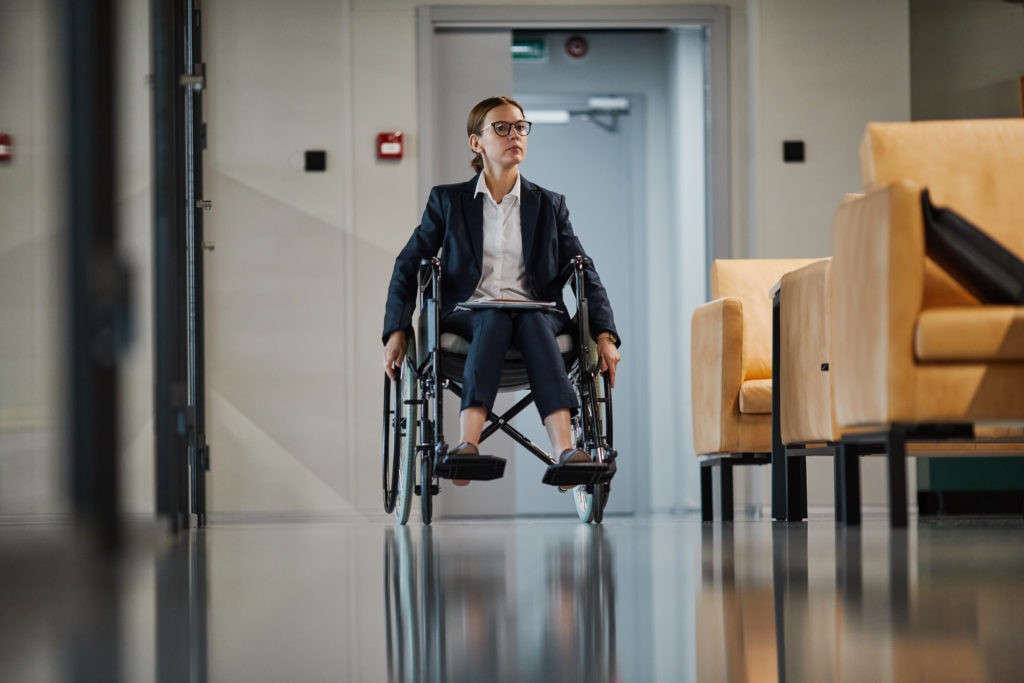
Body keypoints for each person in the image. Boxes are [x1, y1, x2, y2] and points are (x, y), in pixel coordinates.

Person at [381, 95, 621, 486]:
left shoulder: (549, 204)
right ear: (476, 142)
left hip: (538, 312)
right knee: (493, 316)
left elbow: (583, 270)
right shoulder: (448, 201)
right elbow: (409, 263)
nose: (515, 135)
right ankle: (466, 447)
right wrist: (396, 330)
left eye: (521, 127)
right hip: (468, 315)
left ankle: (566, 451)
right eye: (502, 128)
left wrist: (605, 335)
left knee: (531, 322)